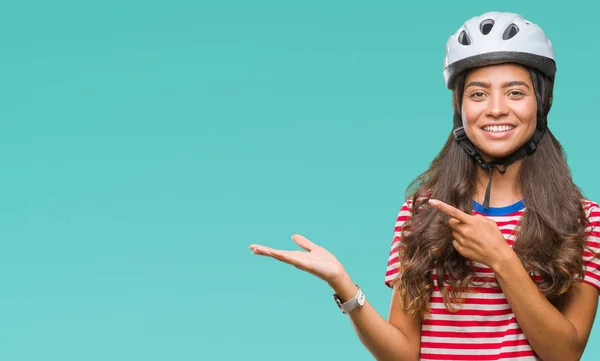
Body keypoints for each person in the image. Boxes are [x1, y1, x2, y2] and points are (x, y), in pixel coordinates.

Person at [249, 11, 600, 361]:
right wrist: (343, 284)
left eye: (515, 92)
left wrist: (500, 257)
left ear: (541, 103)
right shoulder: (421, 214)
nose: (496, 109)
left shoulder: (583, 220)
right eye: (478, 94)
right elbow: (402, 353)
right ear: (459, 108)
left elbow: (565, 354)